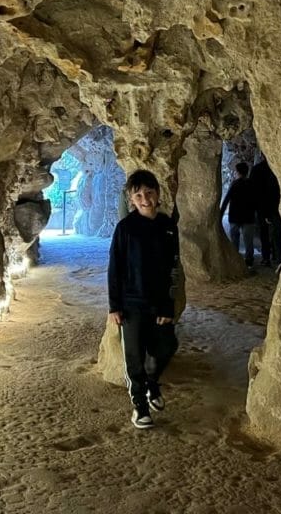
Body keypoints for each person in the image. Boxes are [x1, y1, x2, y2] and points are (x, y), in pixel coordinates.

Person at [107, 169, 180, 430]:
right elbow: (114, 268)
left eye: (149, 193)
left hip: (158, 303)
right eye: (138, 195)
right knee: (135, 357)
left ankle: (152, 383)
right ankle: (139, 407)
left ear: (158, 194)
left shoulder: (167, 227)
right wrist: (114, 306)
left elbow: (173, 269)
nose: (145, 199)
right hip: (131, 304)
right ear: (131, 199)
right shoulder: (125, 229)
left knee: (167, 346)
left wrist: (167, 305)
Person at [219, 161, 257, 266]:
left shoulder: (234, 184)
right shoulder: (252, 184)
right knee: (248, 241)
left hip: (235, 216)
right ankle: (249, 261)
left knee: (234, 240)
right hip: (248, 216)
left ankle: (236, 260)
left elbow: (227, 199)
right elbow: (256, 200)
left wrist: (220, 213)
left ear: (237, 172)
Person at [250, 158, 281, 267]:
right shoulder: (278, 167)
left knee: (263, 232)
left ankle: (266, 257)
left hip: (261, 206)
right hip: (276, 205)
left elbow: (253, 189)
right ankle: (278, 257)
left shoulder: (257, 169)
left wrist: (253, 206)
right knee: (277, 232)